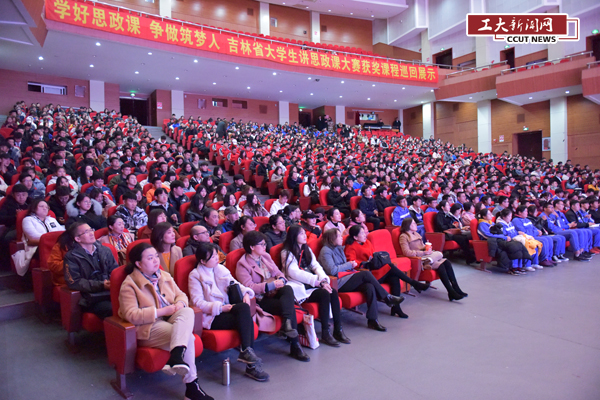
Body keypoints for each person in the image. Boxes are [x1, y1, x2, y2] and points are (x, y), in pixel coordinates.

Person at [118, 242, 213, 400]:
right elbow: (130, 314)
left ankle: (177, 357)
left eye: (156, 256)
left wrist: (180, 303)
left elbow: (181, 294)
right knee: (188, 338)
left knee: (188, 310)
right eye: (150, 258)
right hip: (149, 327)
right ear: (138, 263)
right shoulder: (129, 284)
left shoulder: (163, 275)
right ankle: (192, 387)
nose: (156, 260)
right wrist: (161, 311)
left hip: (170, 318)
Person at [189, 242, 270, 382]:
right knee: (246, 318)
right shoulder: (195, 275)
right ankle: (251, 366)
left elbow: (235, 284)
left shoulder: (220, 269)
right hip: (212, 316)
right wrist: (220, 308)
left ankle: (246, 353)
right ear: (202, 261)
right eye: (212, 257)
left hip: (228, 309)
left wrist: (246, 293)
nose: (217, 258)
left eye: (216, 255)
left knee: (244, 311)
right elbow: (197, 303)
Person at [235, 231, 310, 361]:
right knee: (288, 306)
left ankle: (287, 325)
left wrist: (281, 280)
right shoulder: (243, 264)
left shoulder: (265, 256)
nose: (265, 247)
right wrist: (270, 285)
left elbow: (279, 273)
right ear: (252, 247)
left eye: (265, 244)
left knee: (287, 289)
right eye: (261, 244)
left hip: (275, 292)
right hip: (261, 299)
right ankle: (295, 345)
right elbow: (249, 287)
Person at [319, 228, 404, 331]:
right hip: (337, 282)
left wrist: (350, 266)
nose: (342, 238)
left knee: (369, 286)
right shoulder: (325, 251)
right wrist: (349, 264)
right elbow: (332, 270)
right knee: (366, 274)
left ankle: (373, 320)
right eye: (338, 236)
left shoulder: (338, 248)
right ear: (332, 238)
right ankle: (387, 297)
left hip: (347, 276)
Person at [281, 225, 349, 346]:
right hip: (300, 286)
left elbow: (316, 266)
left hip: (313, 283)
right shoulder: (286, 252)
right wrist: (317, 281)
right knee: (324, 294)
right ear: (294, 236)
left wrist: (323, 280)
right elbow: (294, 272)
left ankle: (338, 329)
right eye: (301, 234)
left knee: (332, 292)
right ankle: (325, 332)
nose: (305, 236)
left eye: (304, 233)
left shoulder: (306, 248)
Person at [344, 225, 430, 317]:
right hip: (367, 274)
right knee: (390, 266)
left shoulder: (367, 242)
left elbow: (373, 255)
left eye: (364, 232)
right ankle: (414, 284)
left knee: (394, 277)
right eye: (362, 233)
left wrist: (374, 260)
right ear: (355, 237)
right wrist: (364, 263)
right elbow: (351, 262)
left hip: (375, 269)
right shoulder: (350, 247)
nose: (365, 234)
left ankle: (396, 308)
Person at [399, 218, 467, 301]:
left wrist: (427, 249)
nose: (416, 225)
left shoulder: (416, 234)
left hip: (426, 256)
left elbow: (422, 246)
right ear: (408, 225)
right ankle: (451, 292)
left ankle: (456, 288)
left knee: (447, 262)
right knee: (441, 265)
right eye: (413, 223)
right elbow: (406, 252)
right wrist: (423, 253)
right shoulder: (403, 236)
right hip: (419, 259)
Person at [63, 222, 118, 319]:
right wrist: (101, 285)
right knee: (112, 308)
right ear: (77, 239)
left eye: (91, 230)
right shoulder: (71, 257)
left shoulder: (105, 250)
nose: (91, 233)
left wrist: (112, 282)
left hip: (111, 291)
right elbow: (74, 282)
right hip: (91, 297)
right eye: (86, 232)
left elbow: (115, 271)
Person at [20, 199, 65, 275]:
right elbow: (33, 237)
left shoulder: (51, 219)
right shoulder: (28, 220)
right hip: (36, 248)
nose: (45, 208)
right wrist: (54, 239)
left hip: (55, 245)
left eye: (46, 207)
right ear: (34, 208)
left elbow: (62, 233)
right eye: (41, 206)